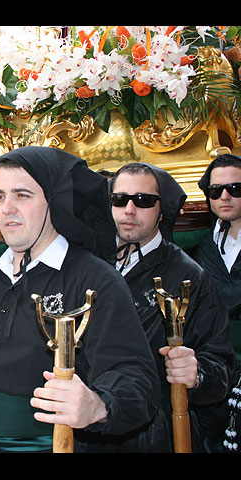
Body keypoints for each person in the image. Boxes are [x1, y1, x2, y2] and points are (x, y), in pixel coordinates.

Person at [0, 146, 160, 453]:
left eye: (22, 195)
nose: (6, 208)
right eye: (0, 196)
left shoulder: (95, 281)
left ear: (53, 202)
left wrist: (100, 405)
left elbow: (138, 379)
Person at [76, 161, 235, 453]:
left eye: (144, 201)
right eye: (119, 199)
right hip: (86, 428)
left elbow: (221, 362)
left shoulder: (189, 276)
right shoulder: (87, 264)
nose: (129, 210)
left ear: (163, 209)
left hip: (154, 433)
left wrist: (197, 372)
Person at [193, 153, 241, 452]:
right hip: (213, 365)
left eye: (235, 189)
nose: (224, 196)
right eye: (215, 191)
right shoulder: (204, 248)